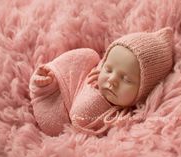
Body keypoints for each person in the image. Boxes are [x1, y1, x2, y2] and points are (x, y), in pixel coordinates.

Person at [29, 27, 173, 136]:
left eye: (126, 79)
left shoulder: (121, 119)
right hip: (64, 96)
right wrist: (98, 74)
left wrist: (97, 98)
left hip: (64, 121)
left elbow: (80, 117)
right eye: (108, 69)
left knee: (68, 118)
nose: (112, 80)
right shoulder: (95, 76)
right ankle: (49, 82)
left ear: (144, 90)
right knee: (87, 56)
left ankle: (46, 92)